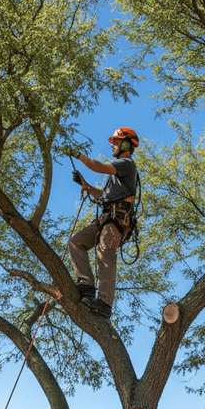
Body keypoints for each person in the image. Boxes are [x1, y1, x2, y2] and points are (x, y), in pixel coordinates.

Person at [63, 127, 140, 318]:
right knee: (76, 242)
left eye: (116, 141)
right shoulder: (116, 176)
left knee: (104, 252)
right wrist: (85, 186)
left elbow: (98, 167)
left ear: (125, 144)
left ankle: (104, 303)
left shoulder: (126, 164)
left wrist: (78, 155)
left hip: (117, 219)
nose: (112, 145)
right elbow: (104, 196)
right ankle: (86, 285)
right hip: (106, 216)